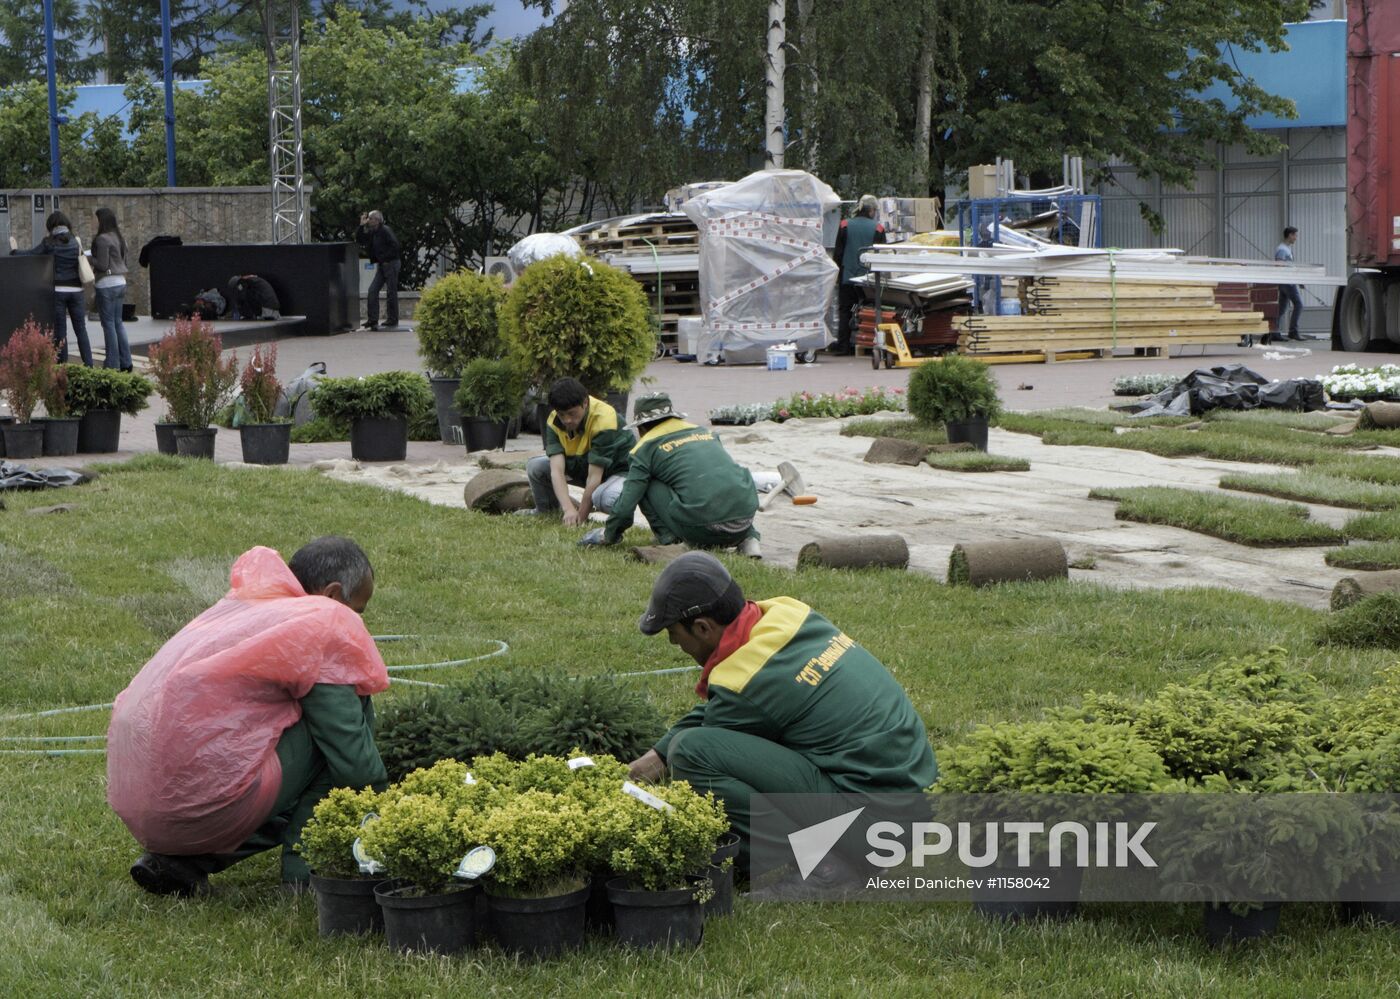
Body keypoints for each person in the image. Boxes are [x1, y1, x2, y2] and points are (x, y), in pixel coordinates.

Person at [107, 537, 390, 896]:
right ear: (333, 595)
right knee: (341, 727)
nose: (357, 622)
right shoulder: (322, 622)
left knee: (294, 756)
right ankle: (305, 873)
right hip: (203, 806)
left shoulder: (247, 609)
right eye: (357, 611)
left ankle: (184, 864)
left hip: (146, 806)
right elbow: (356, 766)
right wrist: (390, 812)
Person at [627, 552, 938, 872]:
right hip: (918, 797)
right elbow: (726, 705)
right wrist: (655, 757)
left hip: (877, 830)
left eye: (675, 636)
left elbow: (710, 733)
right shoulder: (786, 614)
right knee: (690, 747)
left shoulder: (748, 687)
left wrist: (666, 761)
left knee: (691, 753)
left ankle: (809, 863)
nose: (676, 645)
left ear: (703, 628)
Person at [581, 393, 760, 557]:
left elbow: (626, 504)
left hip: (704, 529)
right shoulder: (706, 433)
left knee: (644, 484)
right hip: (744, 522)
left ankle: (670, 539)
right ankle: (750, 539)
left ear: (641, 427)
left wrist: (609, 534)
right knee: (725, 483)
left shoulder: (644, 448)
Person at [523, 377, 634, 524]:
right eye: (562, 414)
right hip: (583, 466)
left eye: (572, 413)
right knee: (536, 466)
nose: (567, 420)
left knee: (604, 498)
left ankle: (624, 518)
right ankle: (546, 511)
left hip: (619, 473)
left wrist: (580, 517)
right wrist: (568, 509)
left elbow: (594, 477)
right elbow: (556, 471)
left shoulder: (604, 419)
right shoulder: (553, 421)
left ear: (585, 403)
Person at [8, 210, 94, 366]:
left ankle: (62, 366)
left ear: (51, 226)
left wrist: (14, 251)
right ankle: (89, 365)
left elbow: (32, 254)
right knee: (81, 329)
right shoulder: (75, 240)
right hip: (77, 292)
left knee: (60, 331)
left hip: (59, 291)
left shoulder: (49, 242)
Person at [830, 194, 886, 355]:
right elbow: (882, 256)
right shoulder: (878, 228)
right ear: (872, 210)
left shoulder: (845, 225)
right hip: (869, 280)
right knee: (869, 312)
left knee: (845, 310)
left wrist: (838, 275)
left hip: (847, 276)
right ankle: (868, 345)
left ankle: (844, 346)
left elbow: (838, 254)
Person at [91, 207, 132, 372]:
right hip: (120, 282)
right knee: (118, 323)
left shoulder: (102, 239)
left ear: (101, 220)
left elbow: (102, 265)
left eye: (95, 219)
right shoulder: (120, 238)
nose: (92, 222)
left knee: (108, 325)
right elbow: (123, 262)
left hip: (106, 284)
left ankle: (112, 364)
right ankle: (126, 362)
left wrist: (87, 258)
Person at [355, 209, 401, 331]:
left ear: (377, 220)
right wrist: (361, 225)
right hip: (382, 265)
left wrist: (385, 259)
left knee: (391, 292)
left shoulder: (385, 230)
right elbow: (360, 239)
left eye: (370, 219)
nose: (368, 221)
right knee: (372, 290)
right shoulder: (373, 232)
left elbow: (395, 246)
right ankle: (372, 319)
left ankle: (392, 319)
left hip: (391, 263)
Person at [1274, 226, 1303, 342]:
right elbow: (1279, 266)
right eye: (1295, 235)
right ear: (1290, 235)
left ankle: (1274, 331)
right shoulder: (1282, 249)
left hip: (1287, 281)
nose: (1296, 238)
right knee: (1299, 304)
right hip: (1287, 282)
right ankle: (1293, 331)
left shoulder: (1286, 248)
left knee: (1281, 308)